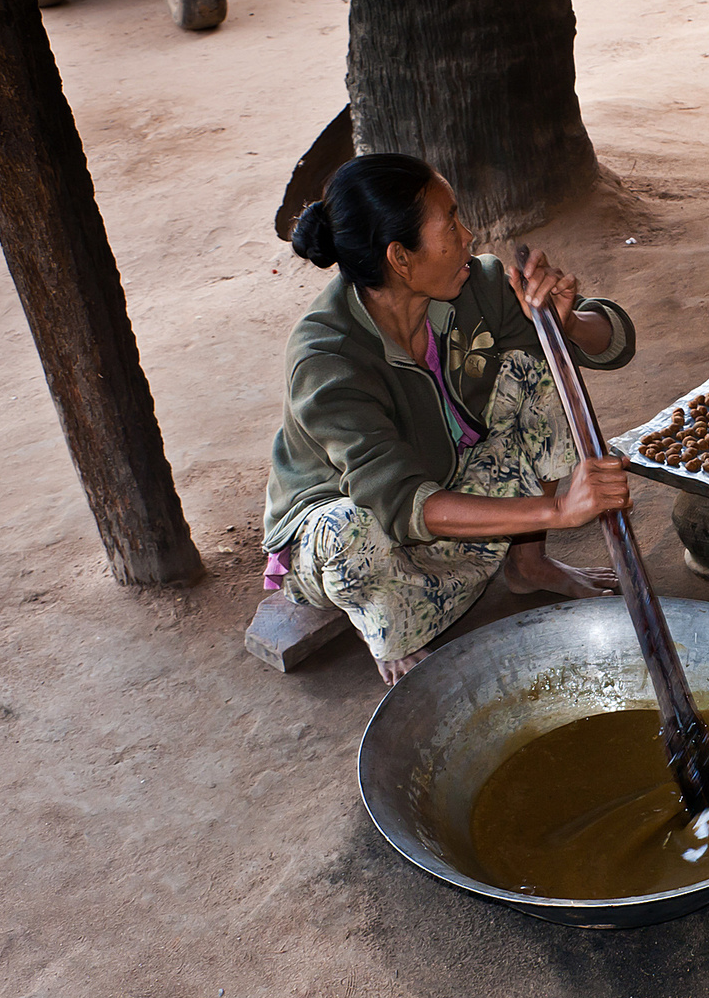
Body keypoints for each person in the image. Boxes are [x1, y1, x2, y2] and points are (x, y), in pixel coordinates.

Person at [261, 153, 636, 684]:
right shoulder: (327, 357)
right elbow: (396, 500)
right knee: (350, 532)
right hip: (344, 523)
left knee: (535, 366)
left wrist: (565, 321)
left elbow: (612, 343)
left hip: (441, 477)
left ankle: (528, 565)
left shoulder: (471, 286)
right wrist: (558, 509)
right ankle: (391, 629)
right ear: (400, 257)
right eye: (451, 222)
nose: (468, 234)